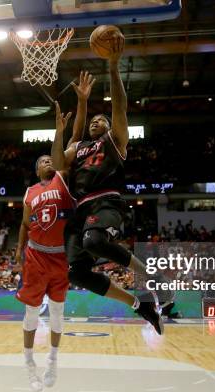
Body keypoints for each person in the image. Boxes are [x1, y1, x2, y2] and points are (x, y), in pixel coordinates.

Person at [51, 34, 164, 334]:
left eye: (99, 120)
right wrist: (70, 118)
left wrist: (113, 67)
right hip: (80, 212)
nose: (94, 123)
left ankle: (153, 279)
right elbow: (61, 158)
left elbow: (120, 110)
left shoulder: (114, 141)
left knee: (95, 242)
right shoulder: (80, 148)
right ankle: (141, 305)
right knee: (78, 274)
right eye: (92, 121)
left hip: (107, 202)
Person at [14, 71, 93, 392]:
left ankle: (54, 361)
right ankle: (29, 360)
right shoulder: (30, 192)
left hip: (59, 256)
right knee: (32, 312)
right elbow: (23, 224)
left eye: (51, 157)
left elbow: (74, 139)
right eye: (43, 160)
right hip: (35, 254)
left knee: (58, 313)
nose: (49, 160)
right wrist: (19, 250)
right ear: (37, 170)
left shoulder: (63, 178)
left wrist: (81, 103)